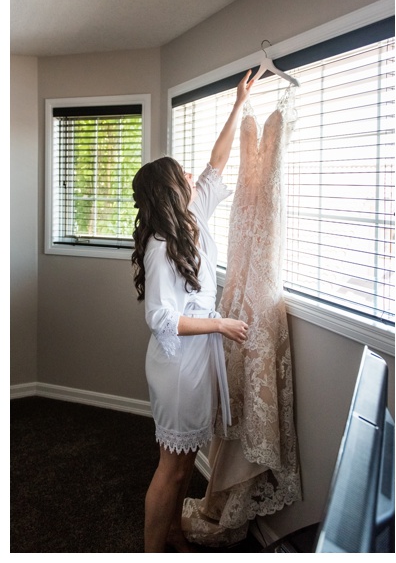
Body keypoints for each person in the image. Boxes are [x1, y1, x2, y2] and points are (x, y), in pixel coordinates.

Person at [131, 71, 256, 552]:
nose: (191, 175)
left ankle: (174, 536)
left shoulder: (193, 217)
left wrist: (239, 103)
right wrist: (221, 324)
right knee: (172, 465)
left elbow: (217, 162)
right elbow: (162, 319)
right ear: (167, 189)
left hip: (198, 360)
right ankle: (152, 552)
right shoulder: (162, 245)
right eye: (180, 173)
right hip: (178, 365)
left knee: (185, 462)